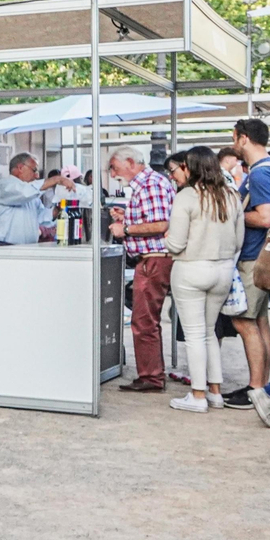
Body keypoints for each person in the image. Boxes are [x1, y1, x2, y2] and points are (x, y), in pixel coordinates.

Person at [164, 146, 244, 413]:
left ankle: (197, 395)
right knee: (209, 332)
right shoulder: (230, 195)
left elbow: (175, 243)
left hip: (190, 269)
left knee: (195, 334)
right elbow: (239, 240)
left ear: (193, 167)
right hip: (222, 270)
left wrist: (167, 242)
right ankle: (215, 391)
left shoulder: (187, 196)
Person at [108, 145, 176, 391]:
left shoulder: (149, 184)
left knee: (143, 320)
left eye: (114, 167)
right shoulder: (151, 182)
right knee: (146, 319)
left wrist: (125, 229)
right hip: (153, 257)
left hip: (154, 258)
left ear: (130, 162)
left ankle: (151, 377)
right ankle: (152, 373)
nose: (112, 172)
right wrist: (127, 218)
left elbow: (161, 223)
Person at [226, 118, 270, 424]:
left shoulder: (259, 174)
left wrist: (236, 214)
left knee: (244, 322)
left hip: (254, 258)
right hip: (260, 257)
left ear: (243, 139)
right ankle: (261, 385)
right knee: (259, 321)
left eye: (234, 138)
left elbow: (266, 217)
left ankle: (257, 387)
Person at [0, 153, 72, 245]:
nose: (37, 176)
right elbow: (24, 193)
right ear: (20, 168)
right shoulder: (5, 185)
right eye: (34, 170)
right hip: (5, 247)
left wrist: (57, 209)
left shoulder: (31, 193)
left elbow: (41, 217)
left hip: (28, 247)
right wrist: (56, 180)